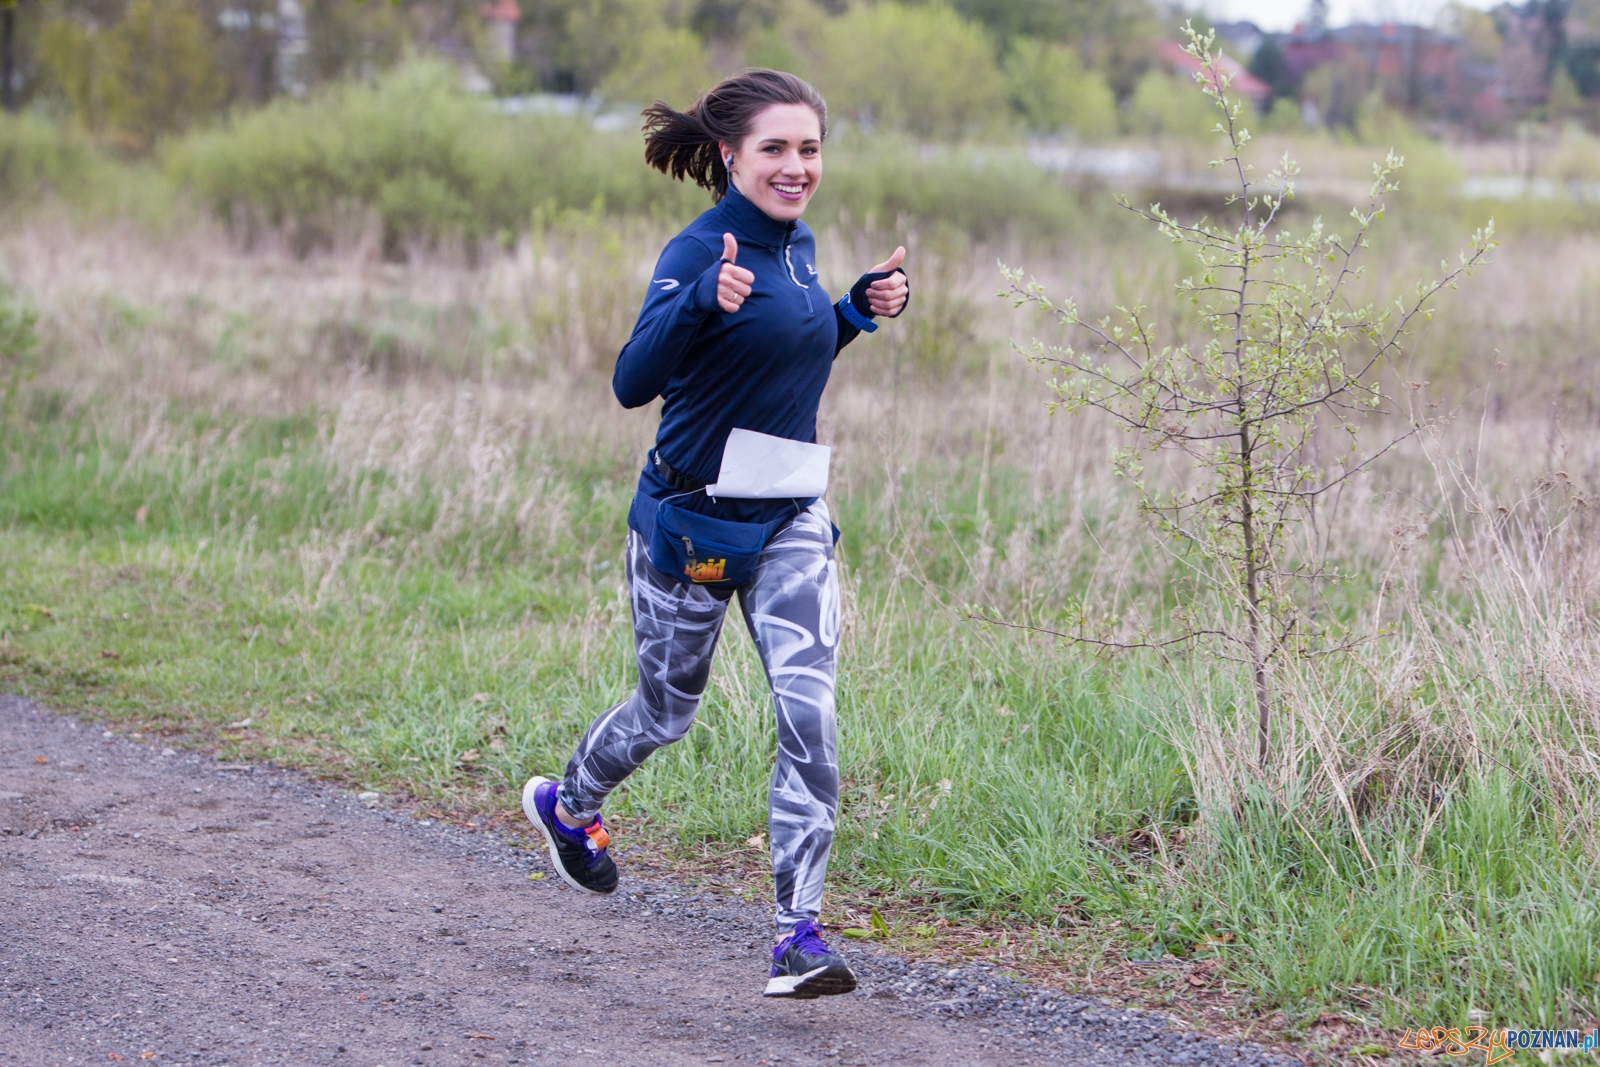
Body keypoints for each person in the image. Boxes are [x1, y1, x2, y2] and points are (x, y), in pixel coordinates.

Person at [521, 68, 909, 1000]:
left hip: (787, 519)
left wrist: (853, 309)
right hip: (689, 524)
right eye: (775, 148)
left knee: (808, 714)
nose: (795, 166)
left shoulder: (799, 247)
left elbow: (785, 349)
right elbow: (630, 381)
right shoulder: (698, 252)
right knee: (668, 713)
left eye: (809, 148)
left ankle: (797, 936)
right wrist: (699, 302)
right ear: (730, 154)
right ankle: (568, 806)